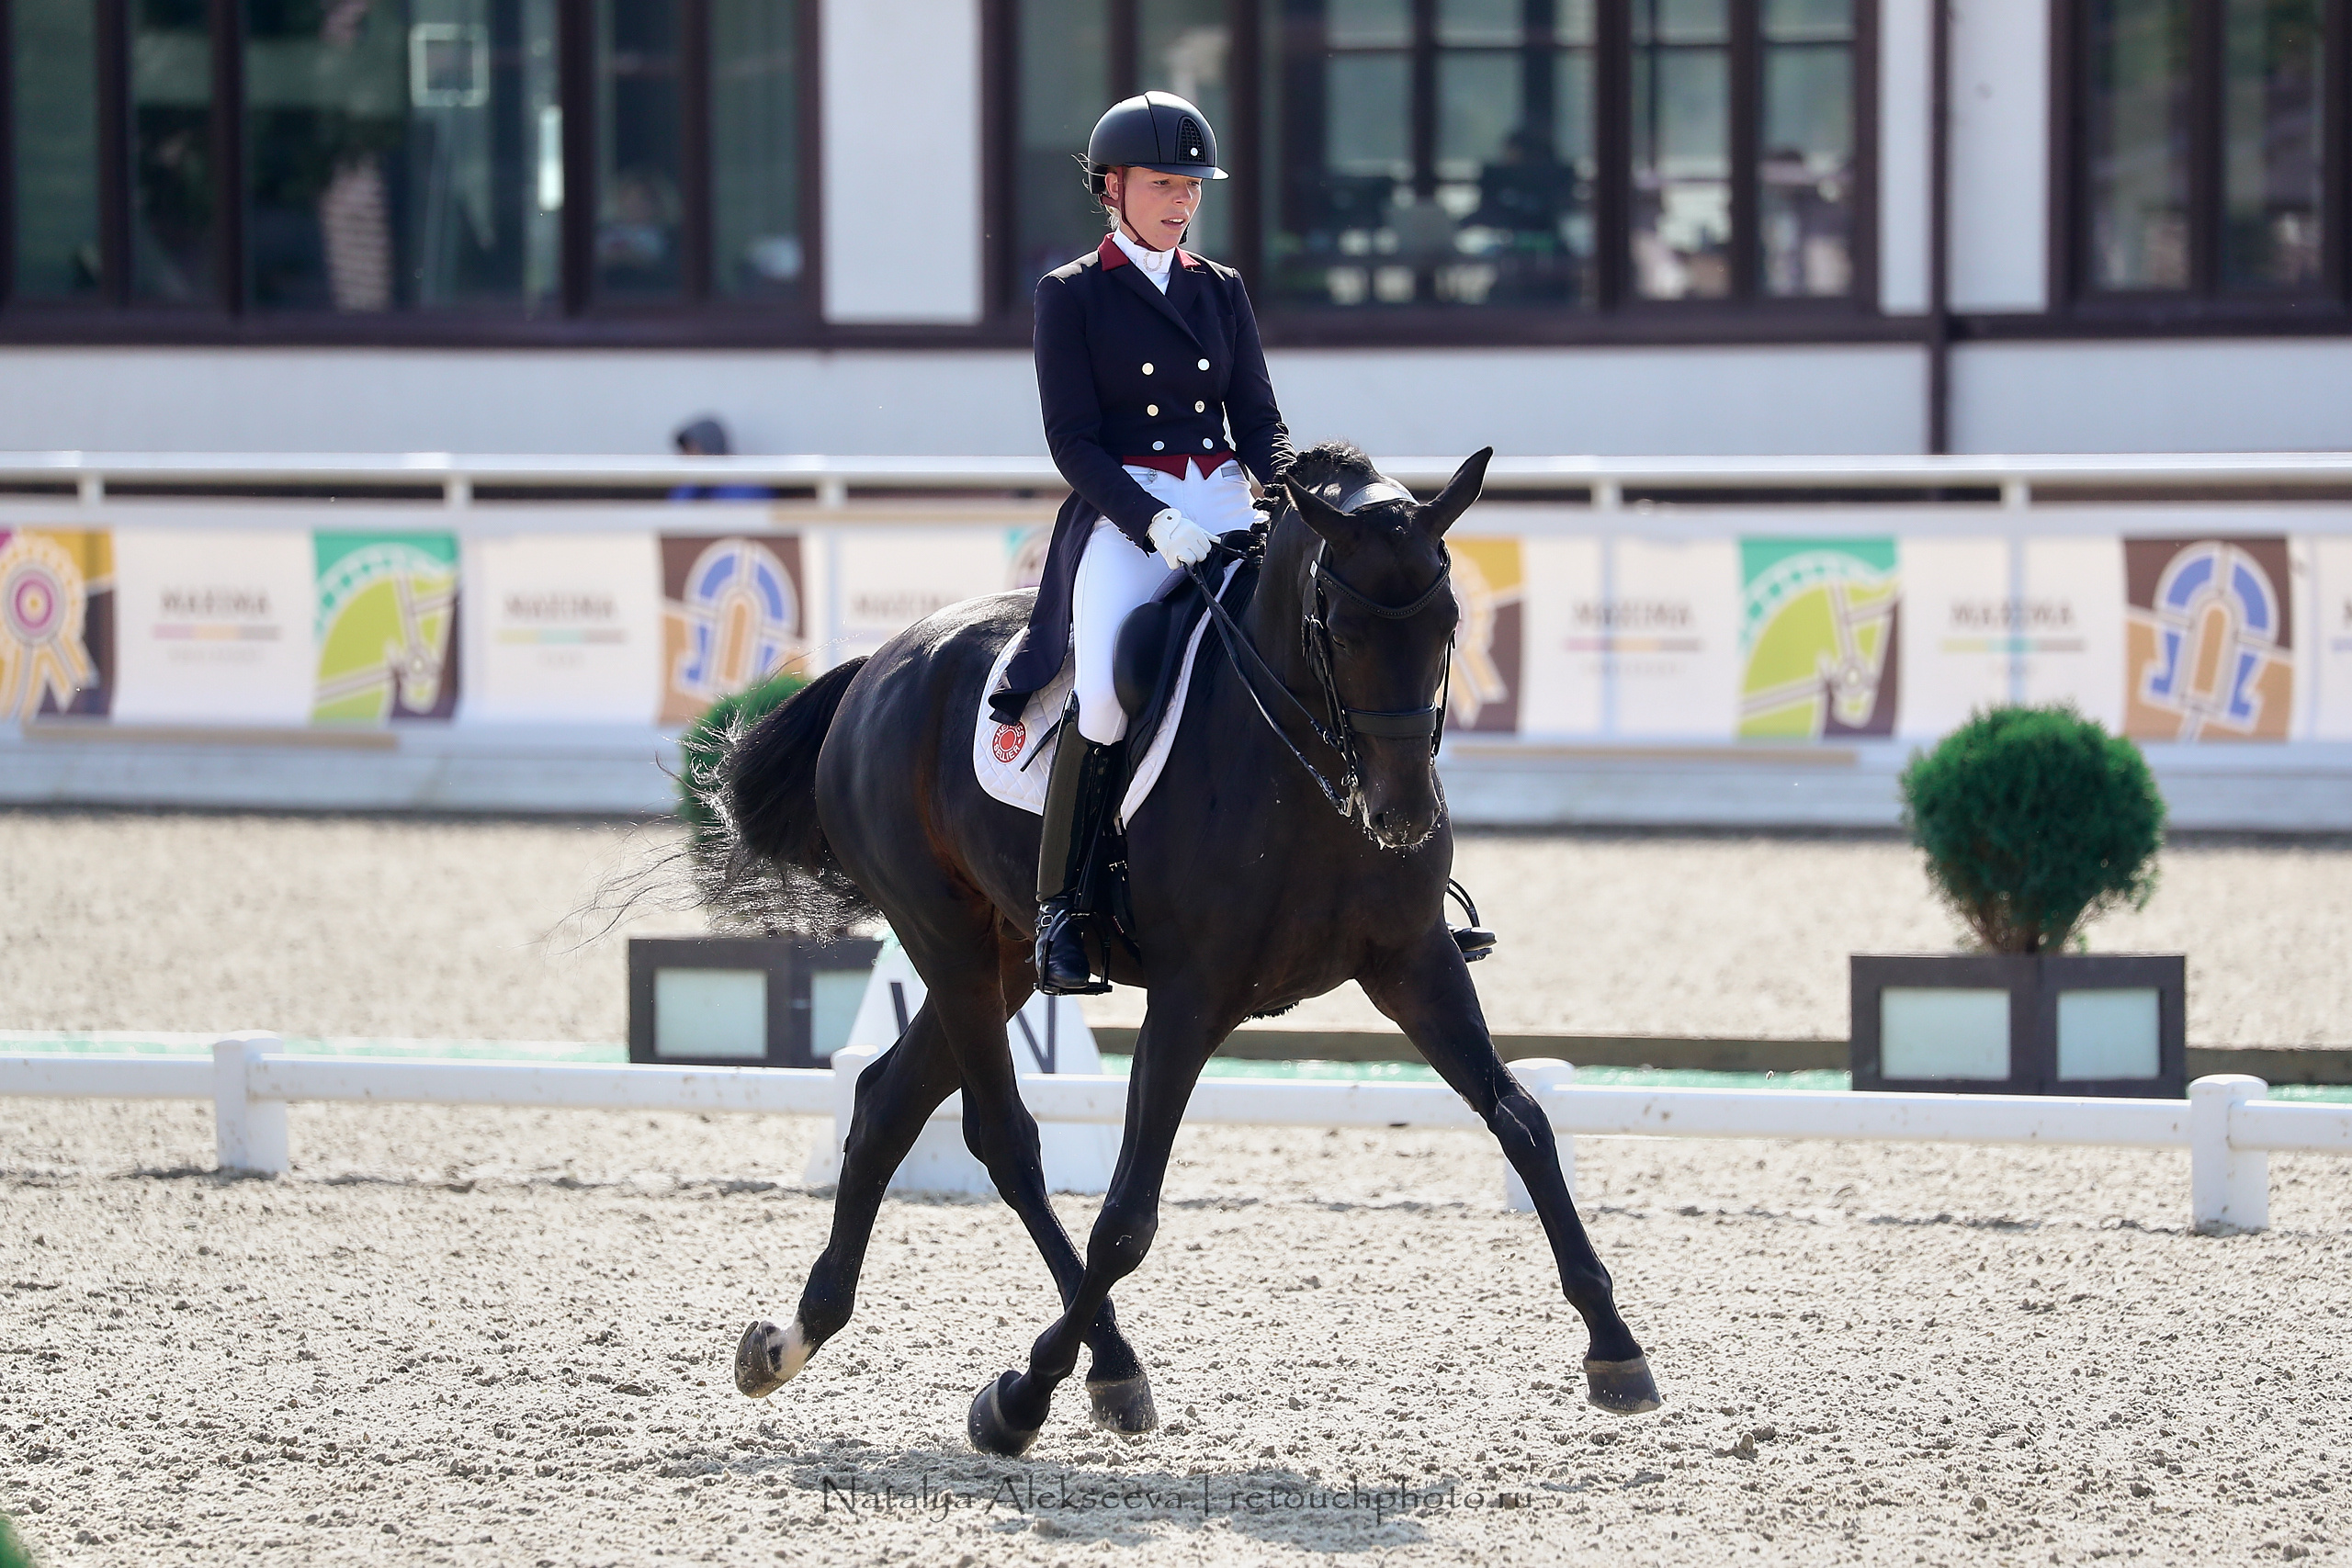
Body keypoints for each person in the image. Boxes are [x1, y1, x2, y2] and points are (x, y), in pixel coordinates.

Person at [992, 90, 1294, 995]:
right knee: (1108, 696)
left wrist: (1282, 501)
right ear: (1113, 187)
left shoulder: (1220, 289)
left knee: (1313, 647)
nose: (1182, 201)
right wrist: (1153, 521)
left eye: (1192, 187)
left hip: (1224, 504)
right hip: (1129, 513)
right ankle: (1063, 913)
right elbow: (1071, 441)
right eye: (1165, 184)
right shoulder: (1071, 294)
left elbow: (1259, 421)